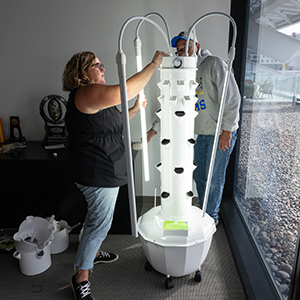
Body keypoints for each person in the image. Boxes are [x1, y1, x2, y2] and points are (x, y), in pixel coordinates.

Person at [63, 50, 167, 300]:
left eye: (101, 64)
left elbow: (114, 121)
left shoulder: (95, 99)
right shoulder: (85, 92)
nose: (103, 69)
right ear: (81, 73)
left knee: (96, 216)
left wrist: (133, 109)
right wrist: (154, 64)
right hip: (96, 172)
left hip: (103, 168)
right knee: (101, 222)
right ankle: (80, 276)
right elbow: (127, 88)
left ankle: (94, 253)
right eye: (96, 65)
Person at [147, 31, 240, 225]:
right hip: (202, 133)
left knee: (214, 178)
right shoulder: (184, 72)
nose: (182, 52)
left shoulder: (214, 64)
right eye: (179, 50)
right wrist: (154, 129)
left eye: (186, 47)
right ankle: (207, 209)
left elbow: (232, 99)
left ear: (196, 46)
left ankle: (211, 217)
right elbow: (171, 103)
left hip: (220, 133)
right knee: (199, 174)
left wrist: (227, 131)